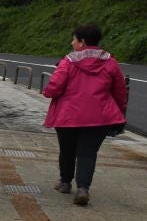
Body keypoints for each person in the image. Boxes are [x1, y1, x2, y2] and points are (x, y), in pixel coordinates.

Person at [40, 23, 128, 206]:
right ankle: (83, 189)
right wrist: (119, 111)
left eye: (74, 39)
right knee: (88, 153)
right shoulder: (110, 62)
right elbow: (120, 91)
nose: (72, 43)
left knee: (67, 150)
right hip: (99, 117)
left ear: (82, 42)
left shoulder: (68, 62)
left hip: (68, 116)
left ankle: (65, 182)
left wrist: (47, 92)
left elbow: (55, 86)